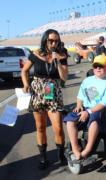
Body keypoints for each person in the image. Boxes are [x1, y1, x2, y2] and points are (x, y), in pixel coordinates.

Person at [21, 29, 68, 170]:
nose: (54, 43)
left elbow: (64, 77)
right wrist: (25, 84)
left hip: (53, 93)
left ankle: (61, 155)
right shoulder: (35, 54)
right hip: (37, 94)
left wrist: (57, 61)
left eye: (56, 41)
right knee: (40, 127)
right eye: (51, 40)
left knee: (58, 128)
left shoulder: (62, 55)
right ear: (45, 40)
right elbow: (24, 71)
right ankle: (43, 158)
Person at [64, 54, 106, 160]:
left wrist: (88, 112)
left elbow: (103, 103)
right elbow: (80, 96)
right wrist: (79, 105)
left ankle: (88, 149)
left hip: (101, 110)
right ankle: (75, 147)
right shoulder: (87, 80)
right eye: (95, 66)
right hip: (86, 109)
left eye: (101, 66)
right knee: (70, 120)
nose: (98, 68)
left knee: (94, 121)